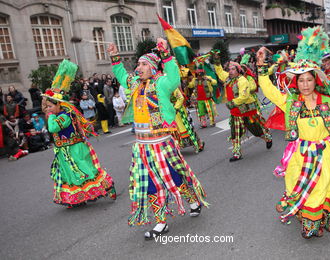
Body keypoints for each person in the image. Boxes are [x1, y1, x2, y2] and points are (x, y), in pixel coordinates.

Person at [256, 26, 330, 239]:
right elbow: (271, 92)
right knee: (297, 185)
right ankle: (310, 220)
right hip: (299, 155)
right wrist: (261, 68)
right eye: (300, 80)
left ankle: (318, 222)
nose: (305, 84)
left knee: (323, 188)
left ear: (316, 80)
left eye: (309, 79)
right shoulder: (291, 102)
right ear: (296, 82)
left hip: (325, 154)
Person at [108, 38, 208, 240]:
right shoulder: (134, 84)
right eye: (138, 64)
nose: (139, 67)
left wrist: (165, 53)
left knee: (175, 176)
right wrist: (114, 56)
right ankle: (161, 222)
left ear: (153, 68)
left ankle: (193, 201)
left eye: (144, 64)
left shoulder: (162, 83)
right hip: (142, 147)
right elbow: (121, 75)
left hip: (162, 143)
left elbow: (173, 76)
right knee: (150, 184)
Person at [42, 59, 116, 208]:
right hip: (64, 150)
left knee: (86, 171)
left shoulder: (65, 116)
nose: (48, 109)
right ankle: (76, 197)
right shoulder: (57, 114)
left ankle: (107, 185)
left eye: (50, 106)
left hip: (75, 149)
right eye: (46, 106)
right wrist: (50, 113)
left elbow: (53, 128)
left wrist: (50, 116)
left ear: (59, 104)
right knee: (69, 173)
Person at [212, 52, 272, 162]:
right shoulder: (228, 79)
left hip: (248, 112)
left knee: (257, 131)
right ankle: (237, 153)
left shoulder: (243, 80)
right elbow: (220, 72)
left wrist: (233, 103)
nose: (230, 71)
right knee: (235, 134)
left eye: (233, 69)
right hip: (235, 113)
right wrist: (216, 61)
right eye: (229, 69)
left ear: (238, 70)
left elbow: (243, 96)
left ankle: (267, 138)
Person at [171, 88, 204, 153]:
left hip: (179, 111)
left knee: (187, 128)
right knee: (173, 130)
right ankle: (176, 147)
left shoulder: (173, 88)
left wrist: (175, 108)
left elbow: (180, 98)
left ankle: (198, 143)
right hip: (168, 111)